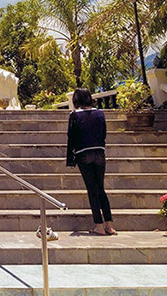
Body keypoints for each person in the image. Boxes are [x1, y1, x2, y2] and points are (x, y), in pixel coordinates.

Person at [66, 88, 115, 235]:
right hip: (99, 152)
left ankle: (99, 226)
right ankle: (110, 225)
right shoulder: (100, 113)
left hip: (83, 153)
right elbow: (104, 132)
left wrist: (71, 158)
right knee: (101, 189)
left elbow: (71, 137)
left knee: (92, 190)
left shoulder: (74, 115)